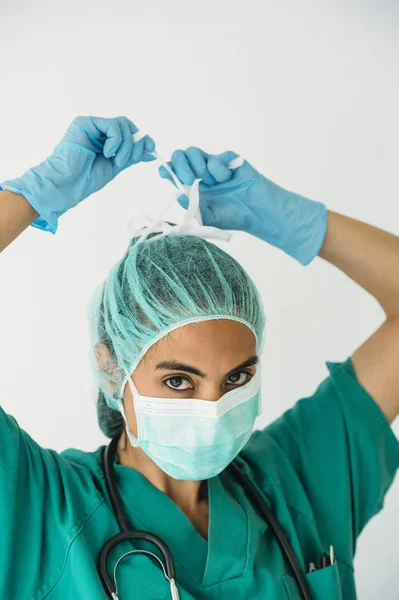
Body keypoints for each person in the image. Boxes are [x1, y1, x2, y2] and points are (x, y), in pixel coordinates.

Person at [0, 115, 398, 600]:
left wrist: (290, 221)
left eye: (236, 379)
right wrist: (34, 195)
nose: (213, 409)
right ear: (112, 367)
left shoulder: (298, 477)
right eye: (178, 382)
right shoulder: (38, 507)